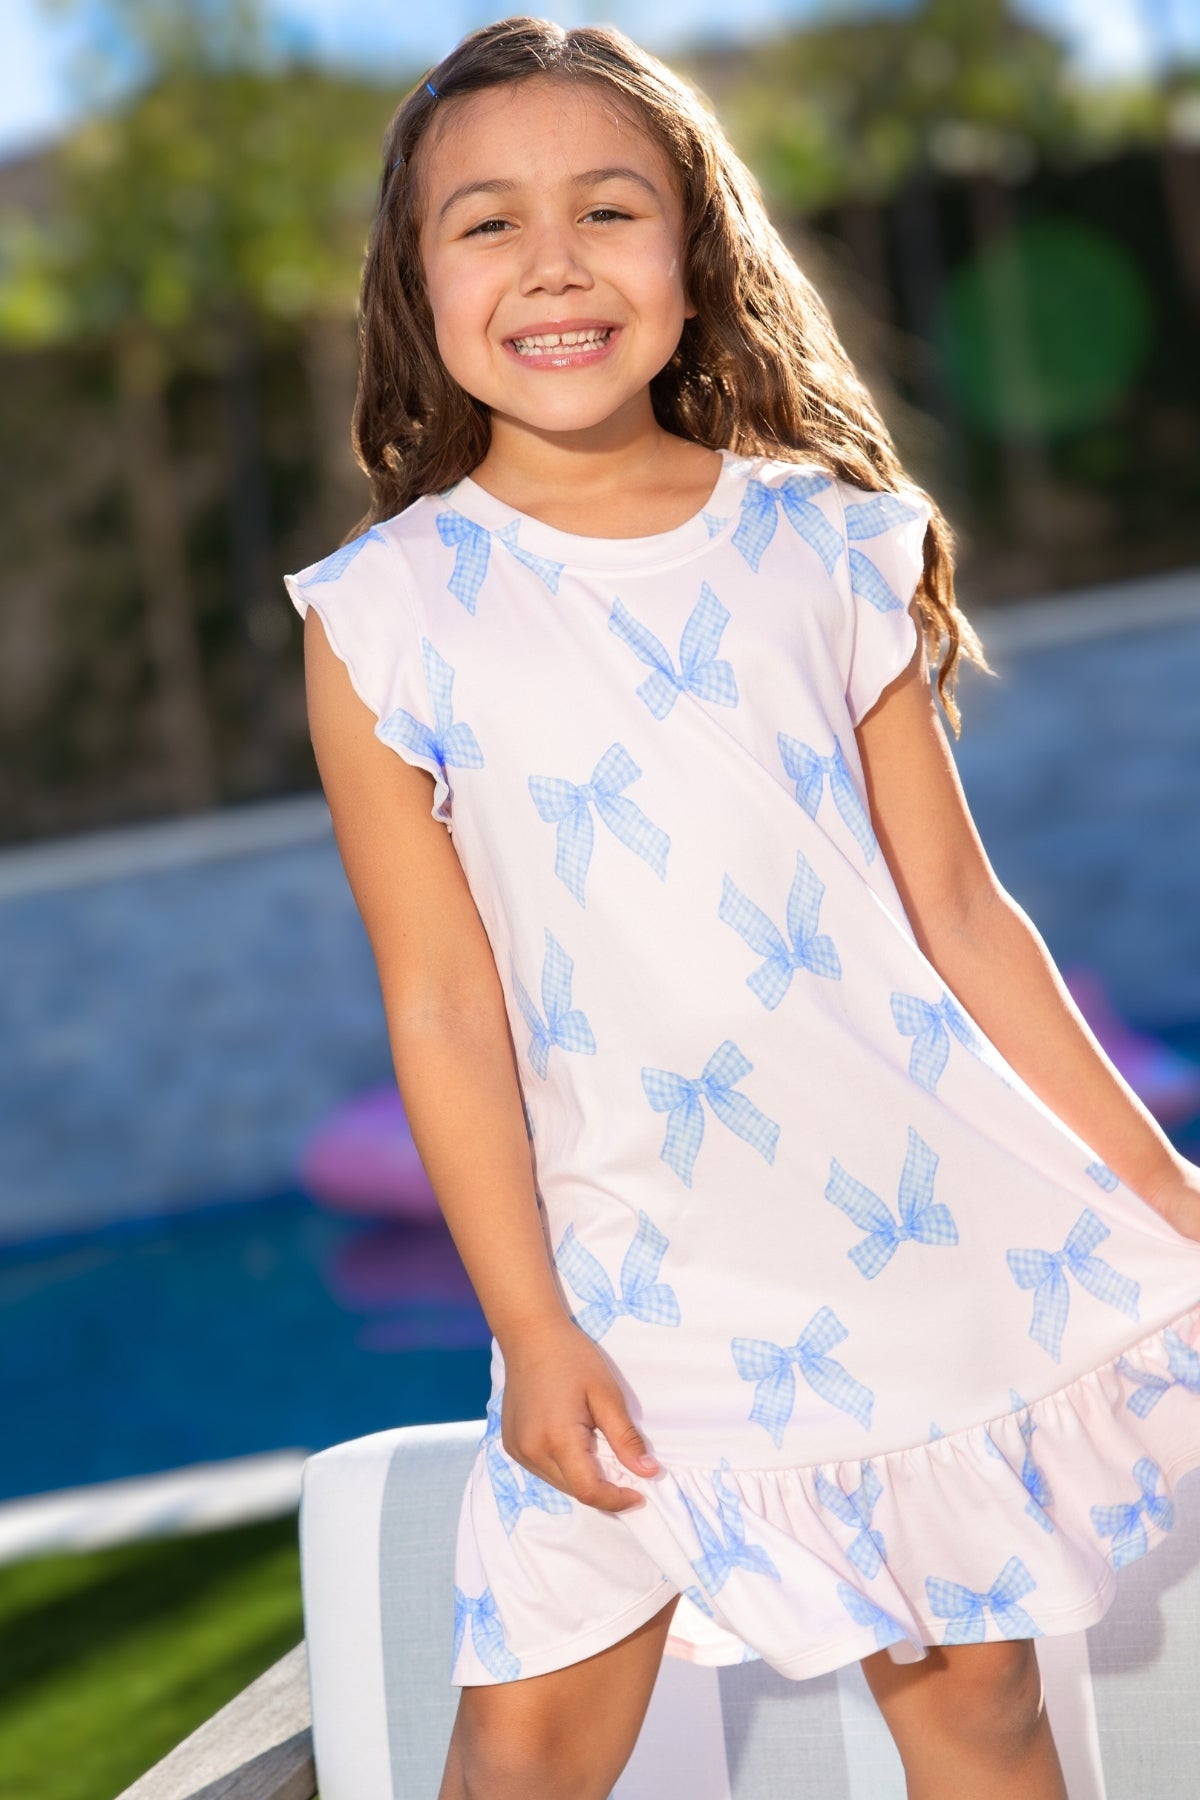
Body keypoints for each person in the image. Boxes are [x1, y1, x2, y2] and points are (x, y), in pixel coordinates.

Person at [284, 17, 1200, 1799]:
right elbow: (444, 1007)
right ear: (415, 282)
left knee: (978, 1707)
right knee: (529, 1742)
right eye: (489, 222)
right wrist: (530, 1328)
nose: (555, 262)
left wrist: (1159, 1183)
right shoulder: (386, 615)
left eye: (608, 209)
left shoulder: (828, 541)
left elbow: (960, 910)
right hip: (630, 1281)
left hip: (913, 1241)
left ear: (695, 259)